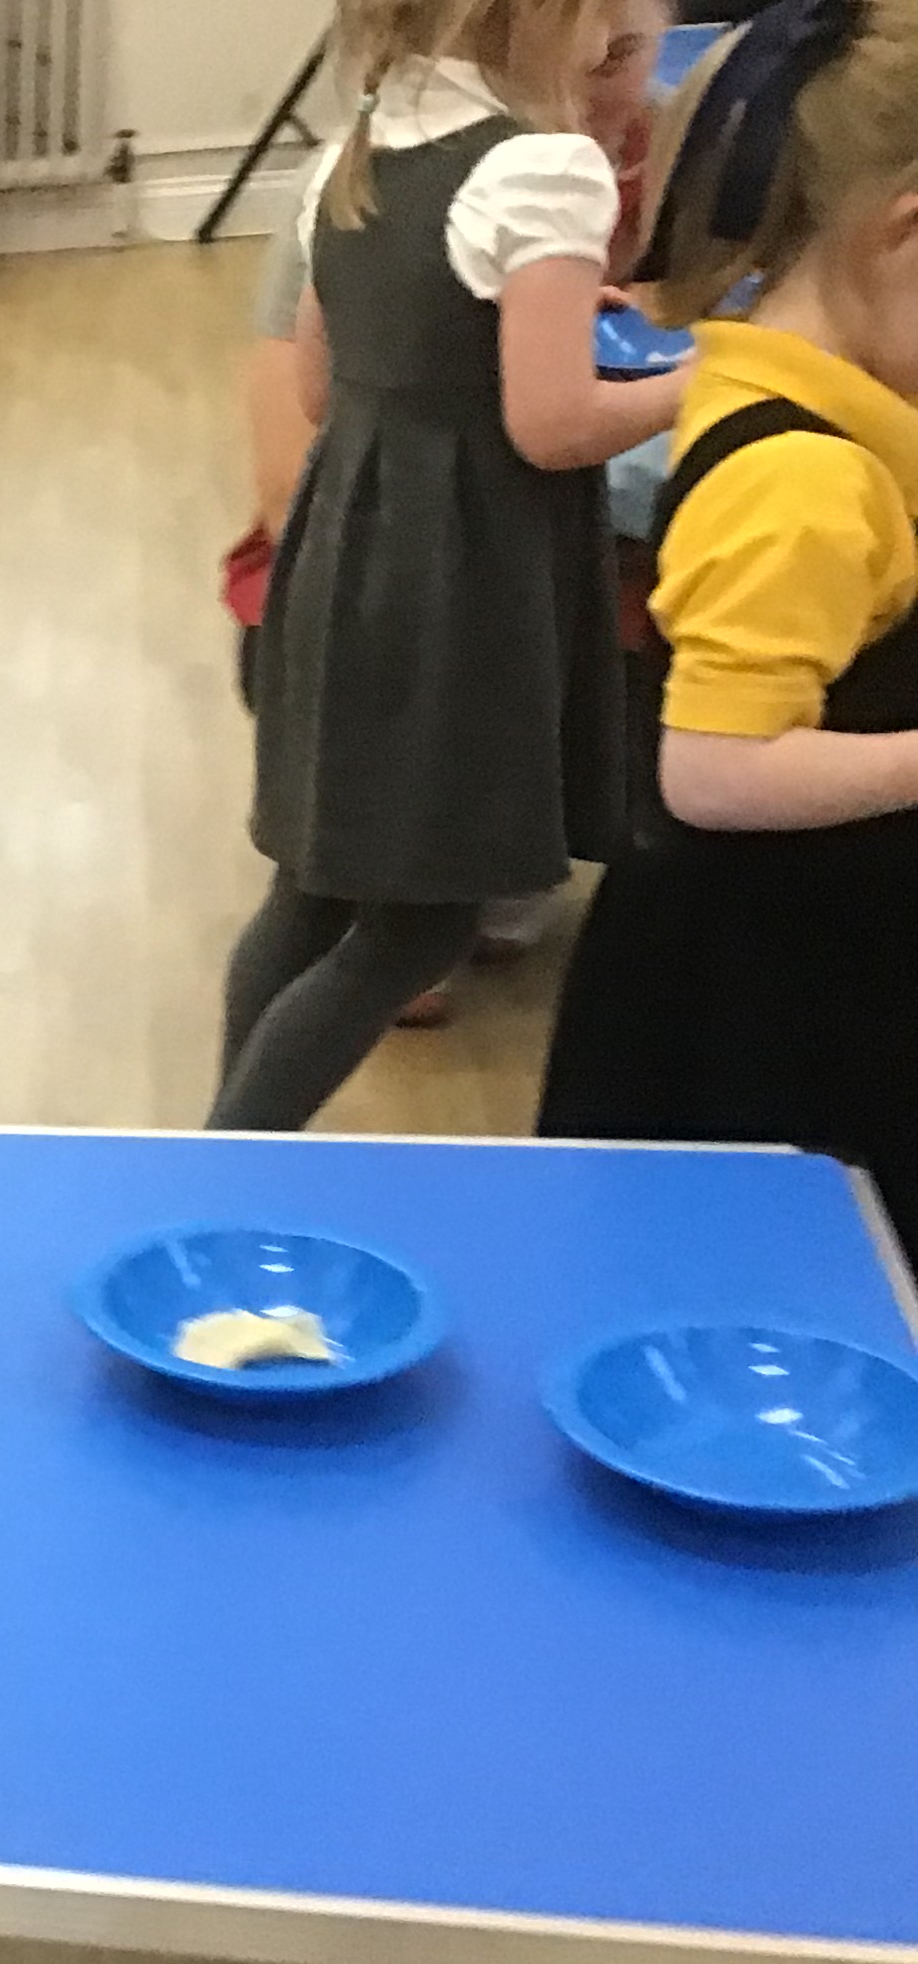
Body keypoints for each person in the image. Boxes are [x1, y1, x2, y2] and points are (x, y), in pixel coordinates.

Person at [211, 0, 687, 1131]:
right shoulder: (545, 168)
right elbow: (553, 428)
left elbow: (323, 385)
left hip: (349, 550)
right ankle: (236, 1147)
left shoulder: (364, 140)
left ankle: (216, 1148)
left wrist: (522, 320)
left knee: (310, 891)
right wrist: (712, 378)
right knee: (423, 922)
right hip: (465, 581)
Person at [540, 0, 918, 1232]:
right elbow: (713, 770)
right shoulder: (800, 479)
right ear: (903, 234)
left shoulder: (819, 384)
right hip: (774, 1022)